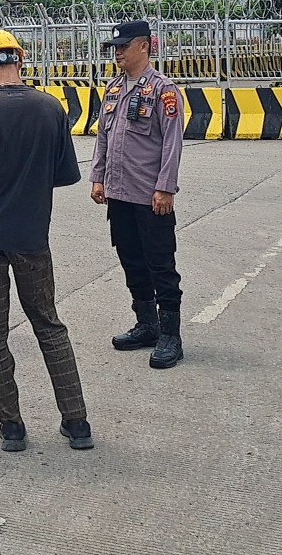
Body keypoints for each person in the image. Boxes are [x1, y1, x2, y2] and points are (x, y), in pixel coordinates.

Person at [0, 30, 94, 453]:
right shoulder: (51, 107)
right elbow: (64, 175)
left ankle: (12, 428)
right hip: (32, 235)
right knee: (49, 324)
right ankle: (76, 422)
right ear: (20, 61)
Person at [90, 19, 186, 370]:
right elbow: (103, 136)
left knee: (161, 264)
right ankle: (147, 324)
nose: (117, 53)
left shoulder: (163, 90)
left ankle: (171, 335)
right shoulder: (114, 88)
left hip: (150, 196)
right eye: (114, 47)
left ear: (144, 46)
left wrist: (165, 187)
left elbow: (172, 143)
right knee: (131, 260)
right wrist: (98, 178)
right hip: (119, 194)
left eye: (123, 46)